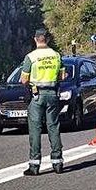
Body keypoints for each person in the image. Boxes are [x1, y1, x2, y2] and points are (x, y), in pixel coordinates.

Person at [20, 28, 66, 176]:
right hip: (53, 94)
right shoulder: (56, 55)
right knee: (53, 127)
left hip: (37, 95)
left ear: (35, 39)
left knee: (35, 129)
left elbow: (24, 79)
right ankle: (57, 162)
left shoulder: (31, 57)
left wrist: (32, 84)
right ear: (48, 39)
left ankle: (34, 165)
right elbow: (63, 76)